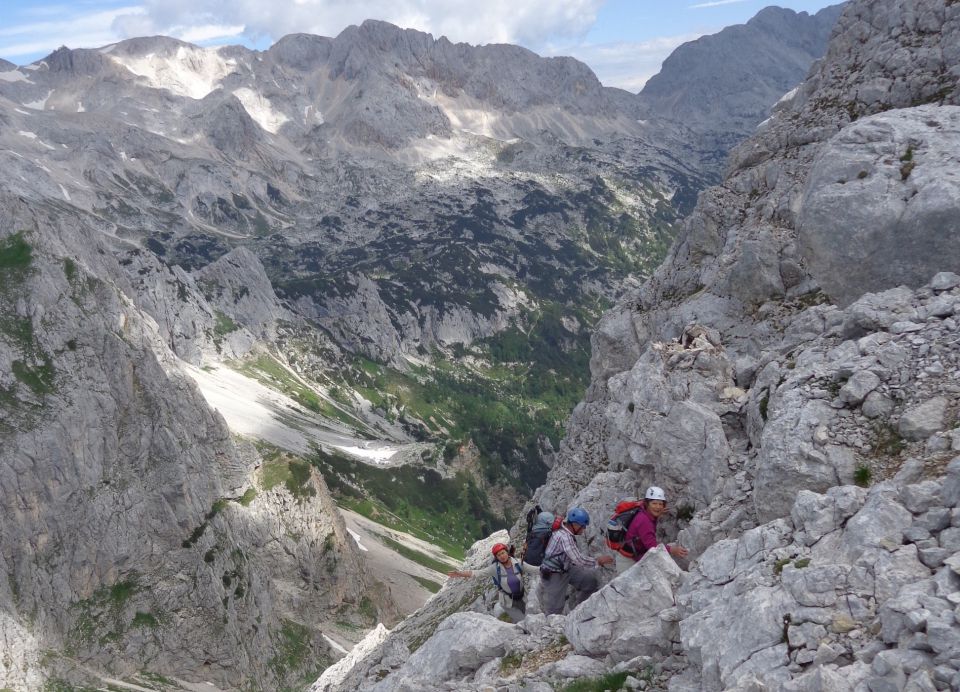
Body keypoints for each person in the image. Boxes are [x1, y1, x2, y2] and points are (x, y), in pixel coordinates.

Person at [538, 507, 614, 615]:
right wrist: (598, 561)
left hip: (566, 567)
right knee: (555, 609)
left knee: (590, 582)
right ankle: (551, 628)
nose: (583, 530)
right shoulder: (565, 537)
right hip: (553, 574)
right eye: (582, 526)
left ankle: (578, 612)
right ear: (575, 525)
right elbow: (578, 559)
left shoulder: (565, 531)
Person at [447, 542, 539, 623]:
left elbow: (535, 570)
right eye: (498, 555)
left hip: (523, 597)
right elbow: (478, 573)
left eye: (503, 553)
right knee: (524, 621)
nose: (502, 556)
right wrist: (461, 573)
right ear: (496, 557)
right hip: (508, 602)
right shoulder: (495, 568)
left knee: (531, 617)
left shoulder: (518, 563)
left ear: (507, 552)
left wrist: (549, 567)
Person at [615, 486, 689, 574]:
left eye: (660, 504)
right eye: (654, 503)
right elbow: (652, 547)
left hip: (634, 556)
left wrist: (657, 515)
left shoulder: (644, 512)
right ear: (647, 504)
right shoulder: (643, 520)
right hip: (627, 561)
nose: (657, 507)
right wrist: (672, 550)